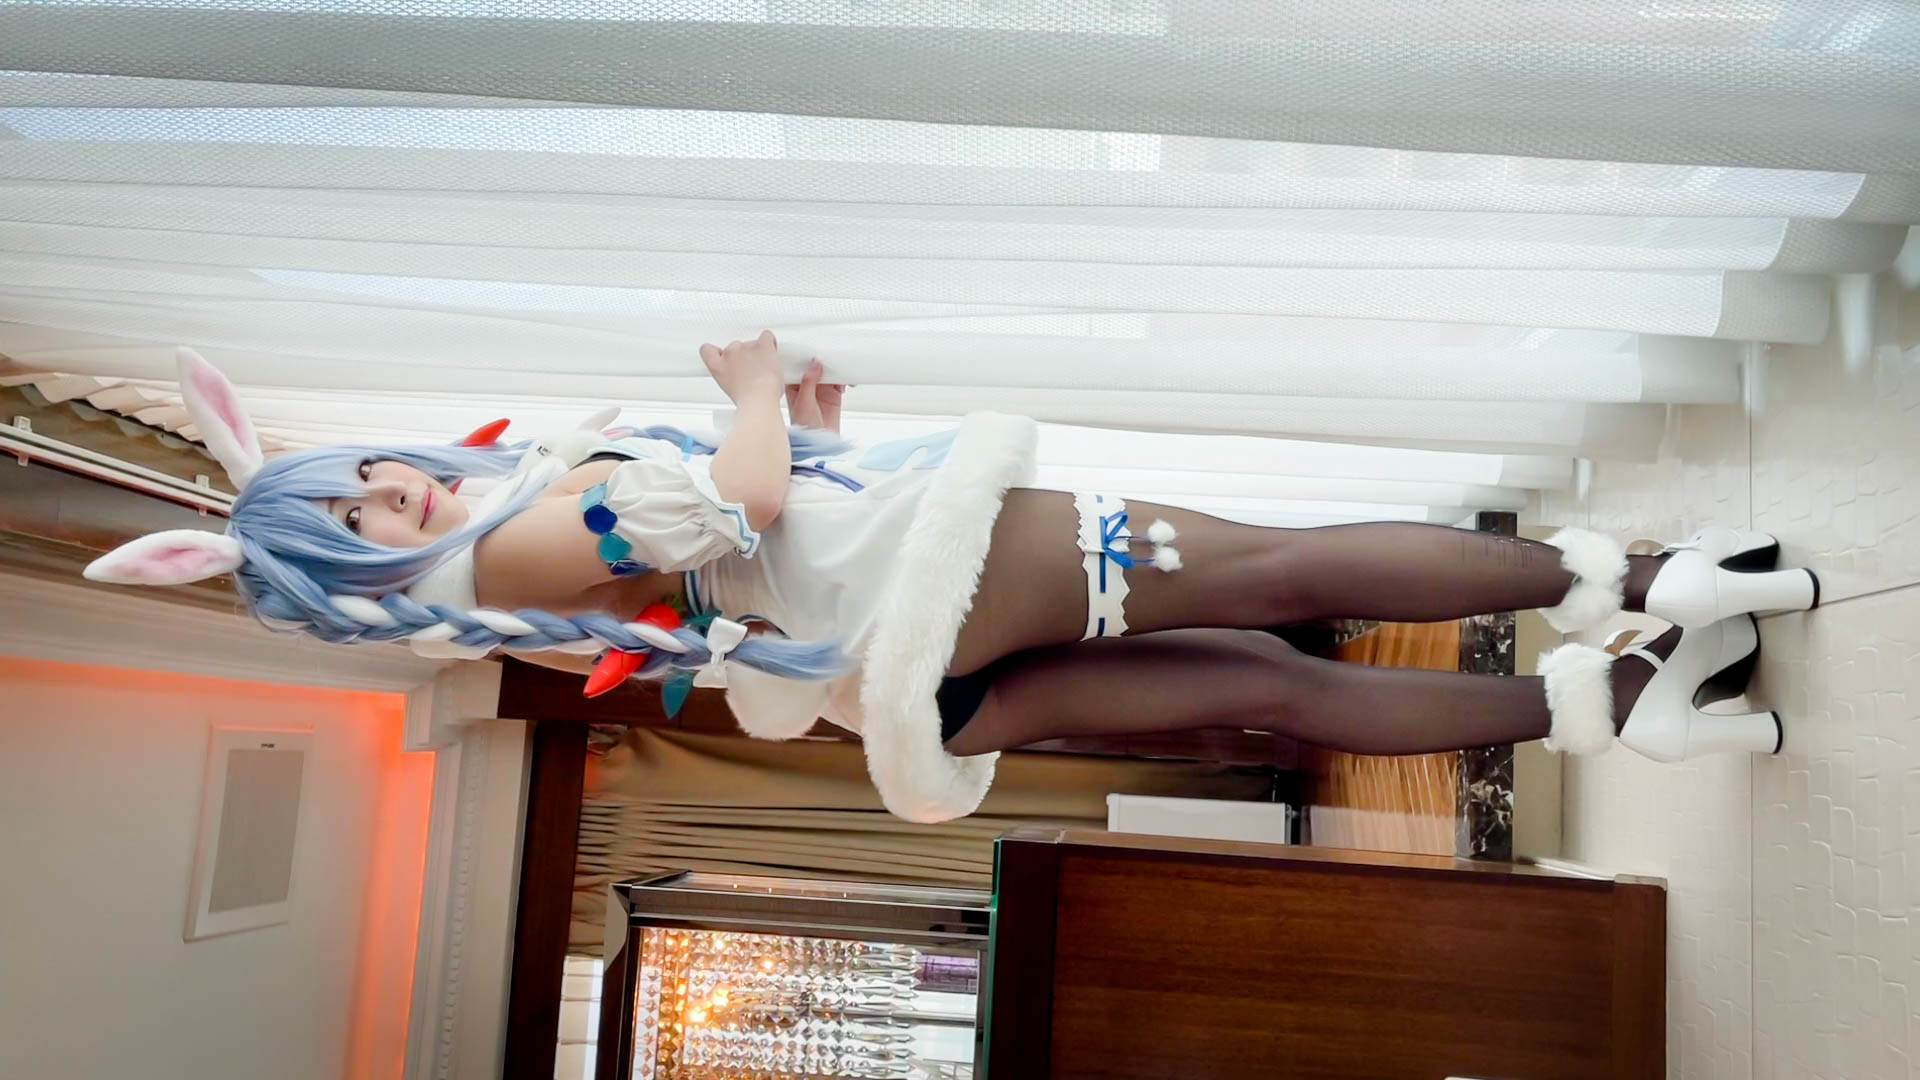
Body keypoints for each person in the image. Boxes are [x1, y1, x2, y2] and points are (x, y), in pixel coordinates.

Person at [87, 336, 1820, 823]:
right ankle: (1660, 581)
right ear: (358, 580)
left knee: (1275, 688)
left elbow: (729, 566)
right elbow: (723, 507)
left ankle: (1622, 705)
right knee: (1279, 563)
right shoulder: (509, 544)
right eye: (354, 523)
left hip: (925, 664)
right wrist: (749, 394)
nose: (386, 495)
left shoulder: (495, 576)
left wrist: (802, 436)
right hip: (953, 578)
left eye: (360, 481)